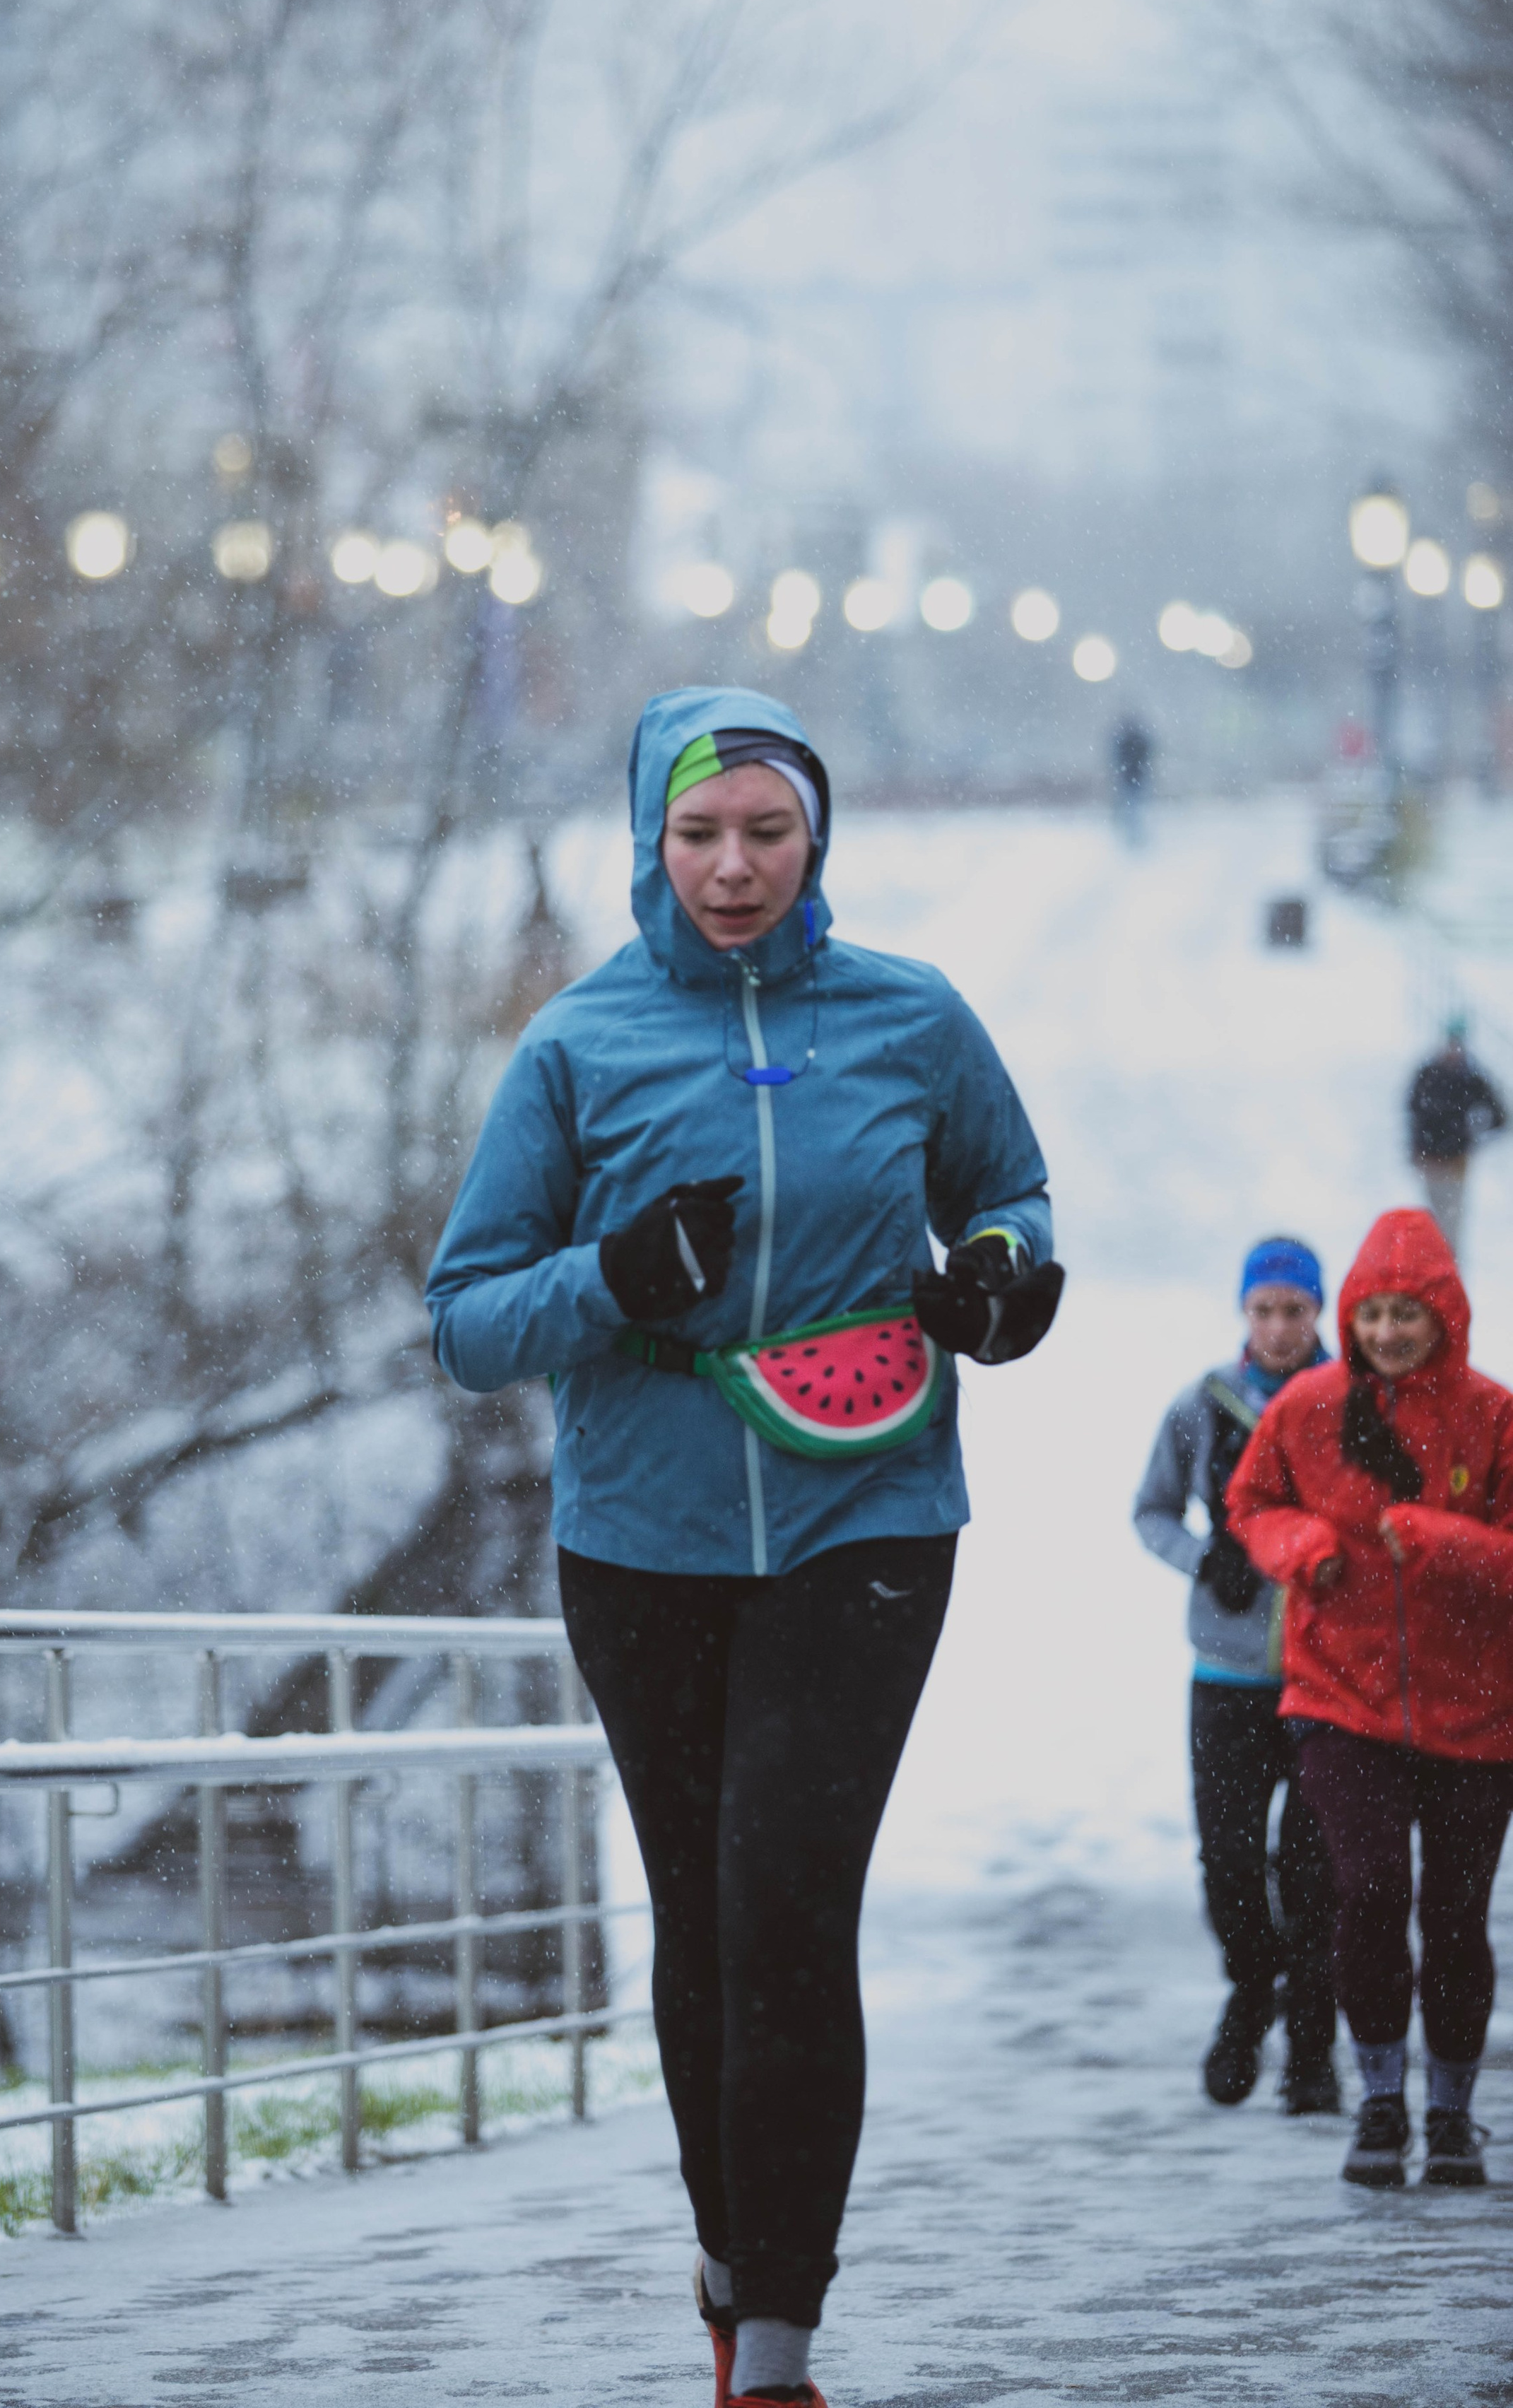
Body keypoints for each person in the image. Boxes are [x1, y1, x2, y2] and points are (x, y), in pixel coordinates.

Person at [427, 687, 1062, 2408]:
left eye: (764, 833)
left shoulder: (911, 1020)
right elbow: (465, 1319)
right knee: (702, 1921)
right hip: (641, 1541)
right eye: (697, 835)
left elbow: (1012, 1192)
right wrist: (611, 1280)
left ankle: (774, 2335)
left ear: (816, 839)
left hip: (870, 1518)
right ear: (650, 840)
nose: (731, 868)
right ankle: (728, 2254)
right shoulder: (578, 1045)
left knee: (788, 1903)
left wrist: (1000, 1278)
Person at [1227, 1209, 1513, 2190]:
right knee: (1371, 1890)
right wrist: (1300, 1550)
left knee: (1457, 1914)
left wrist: (1443, 1540)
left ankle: (1453, 2114)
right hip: (1341, 1701)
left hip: (1479, 1710)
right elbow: (1251, 1504)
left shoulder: (1492, 1414)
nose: (1388, 1333)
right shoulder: (1306, 1407)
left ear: (1445, 1316)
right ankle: (1381, 2098)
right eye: (1373, 1314)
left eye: (1408, 1314)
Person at [1133, 1238, 1339, 2114]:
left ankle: (1313, 2049)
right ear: (1243, 1314)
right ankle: (1253, 1988)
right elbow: (1148, 1509)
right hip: (1225, 1675)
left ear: (1319, 1314)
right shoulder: (1204, 1406)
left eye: (1296, 1310)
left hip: (1331, 1679)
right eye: (1265, 1309)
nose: (1280, 1327)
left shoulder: (1353, 1404)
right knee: (1225, 1862)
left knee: (1315, 1869)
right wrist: (1200, 1556)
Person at [1406, 1017, 1505, 1259]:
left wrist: (1475, 1136)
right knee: (1429, 1224)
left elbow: (1500, 1115)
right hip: (1431, 1162)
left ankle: (1450, 1280)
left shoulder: (1471, 1078)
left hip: (1457, 1163)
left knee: (1452, 1227)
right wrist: (1417, 1148)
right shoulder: (1428, 1074)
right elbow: (1414, 1113)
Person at [1109, 713, 1153, 847]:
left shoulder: (1124, 741)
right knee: (1135, 809)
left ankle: (1133, 837)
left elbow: (1116, 758)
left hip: (1129, 779)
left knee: (1132, 809)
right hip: (1136, 778)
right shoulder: (1137, 740)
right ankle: (1135, 837)